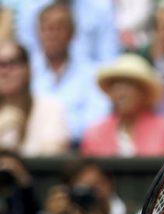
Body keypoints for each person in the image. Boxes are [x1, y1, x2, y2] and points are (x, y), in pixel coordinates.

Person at [29, 1, 111, 145]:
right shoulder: (27, 72)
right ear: (38, 33)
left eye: (59, 28)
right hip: (32, 150)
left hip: (77, 151)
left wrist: (54, 131)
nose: (52, 34)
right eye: (47, 28)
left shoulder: (92, 74)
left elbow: (96, 121)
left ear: (72, 33)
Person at [80, 54, 164, 157]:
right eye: (115, 86)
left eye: (129, 86)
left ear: (144, 92)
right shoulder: (95, 133)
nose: (121, 94)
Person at [0, 41, 69, 156]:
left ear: (28, 70)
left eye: (12, 64)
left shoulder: (51, 109)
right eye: (0, 65)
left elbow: (52, 161)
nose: (4, 72)